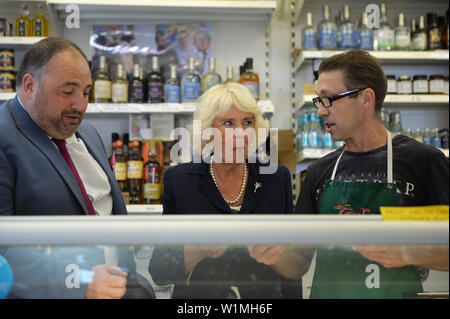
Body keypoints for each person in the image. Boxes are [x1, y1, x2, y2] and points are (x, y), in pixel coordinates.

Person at [0, 37, 153, 299]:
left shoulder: (87, 132)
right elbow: (4, 252)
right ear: (29, 86)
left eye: (85, 92)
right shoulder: (3, 137)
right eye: (67, 92)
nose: (80, 105)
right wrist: (79, 282)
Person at [295, 50, 449, 299]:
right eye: (319, 101)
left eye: (329, 99)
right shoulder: (318, 172)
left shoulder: (423, 162)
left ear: (366, 98)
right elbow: (298, 262)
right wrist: (268, 250)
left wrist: (409, 254)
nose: (321, 111)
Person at [148, 83, 310, 299]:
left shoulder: (275, 178)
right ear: (208, 131)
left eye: (247, 122)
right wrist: (199, 250)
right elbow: (159, 271)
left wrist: (276, 255)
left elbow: (296, 268)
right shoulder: (179, 181)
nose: (241, 134)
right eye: (228, 123)